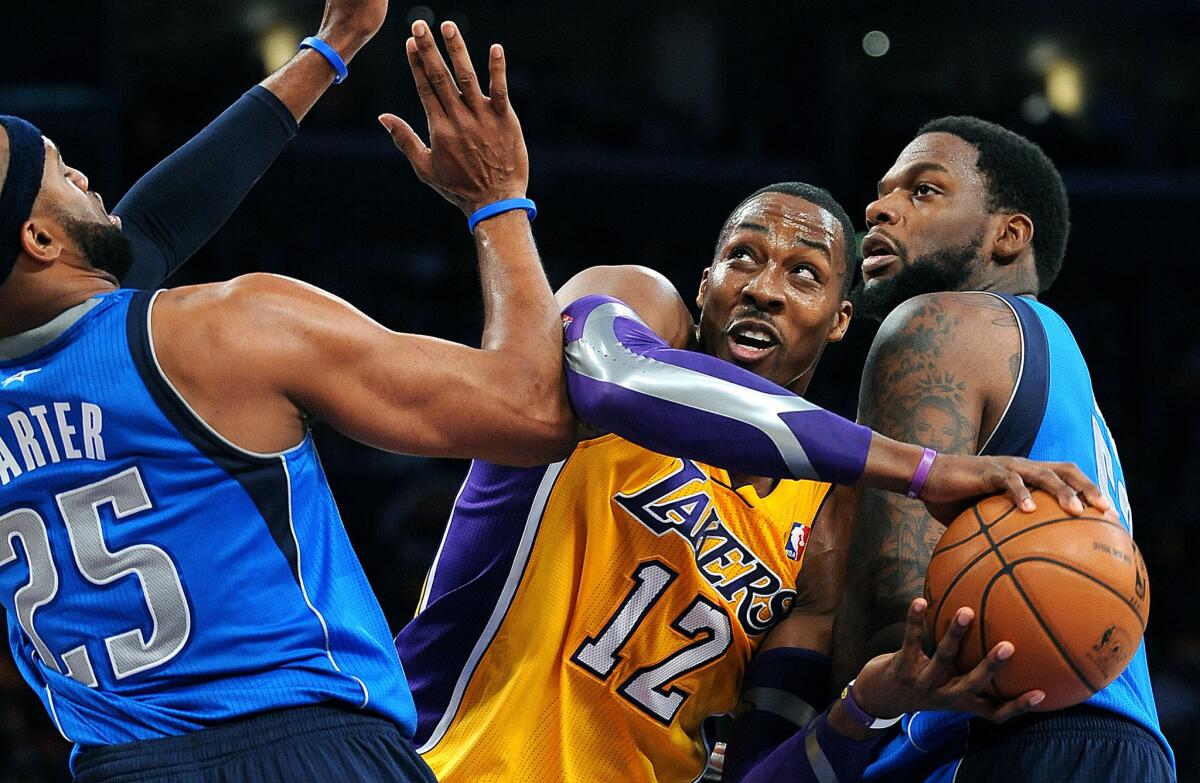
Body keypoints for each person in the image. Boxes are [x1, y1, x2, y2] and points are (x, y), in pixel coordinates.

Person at [394, 34, 1110, 777]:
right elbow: (609, 375)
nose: (764, 287)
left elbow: (760, 770)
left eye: (804, 274)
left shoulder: (825, 522)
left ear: (839, 320)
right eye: (743, 256)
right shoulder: (639, 307)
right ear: (704, 286)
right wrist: (923, 468)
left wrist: (863, 705)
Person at [0, 16, 575, 783]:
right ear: (40, 243)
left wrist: (331, 47)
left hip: (117, 766)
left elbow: (143, 234)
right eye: (65, 175)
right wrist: (497, 200)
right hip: (307, 749)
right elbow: (531, 411)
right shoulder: (224, 330)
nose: (89, 183)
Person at [825, 116, 1175, 781]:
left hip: (994, 737)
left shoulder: (938, 321)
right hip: (1123, 739)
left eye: (924, 190)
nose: (877, 207)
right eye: (881, 191)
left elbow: (893, 615)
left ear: (1007, 234)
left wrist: (810, 745)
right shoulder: (1061, 359)